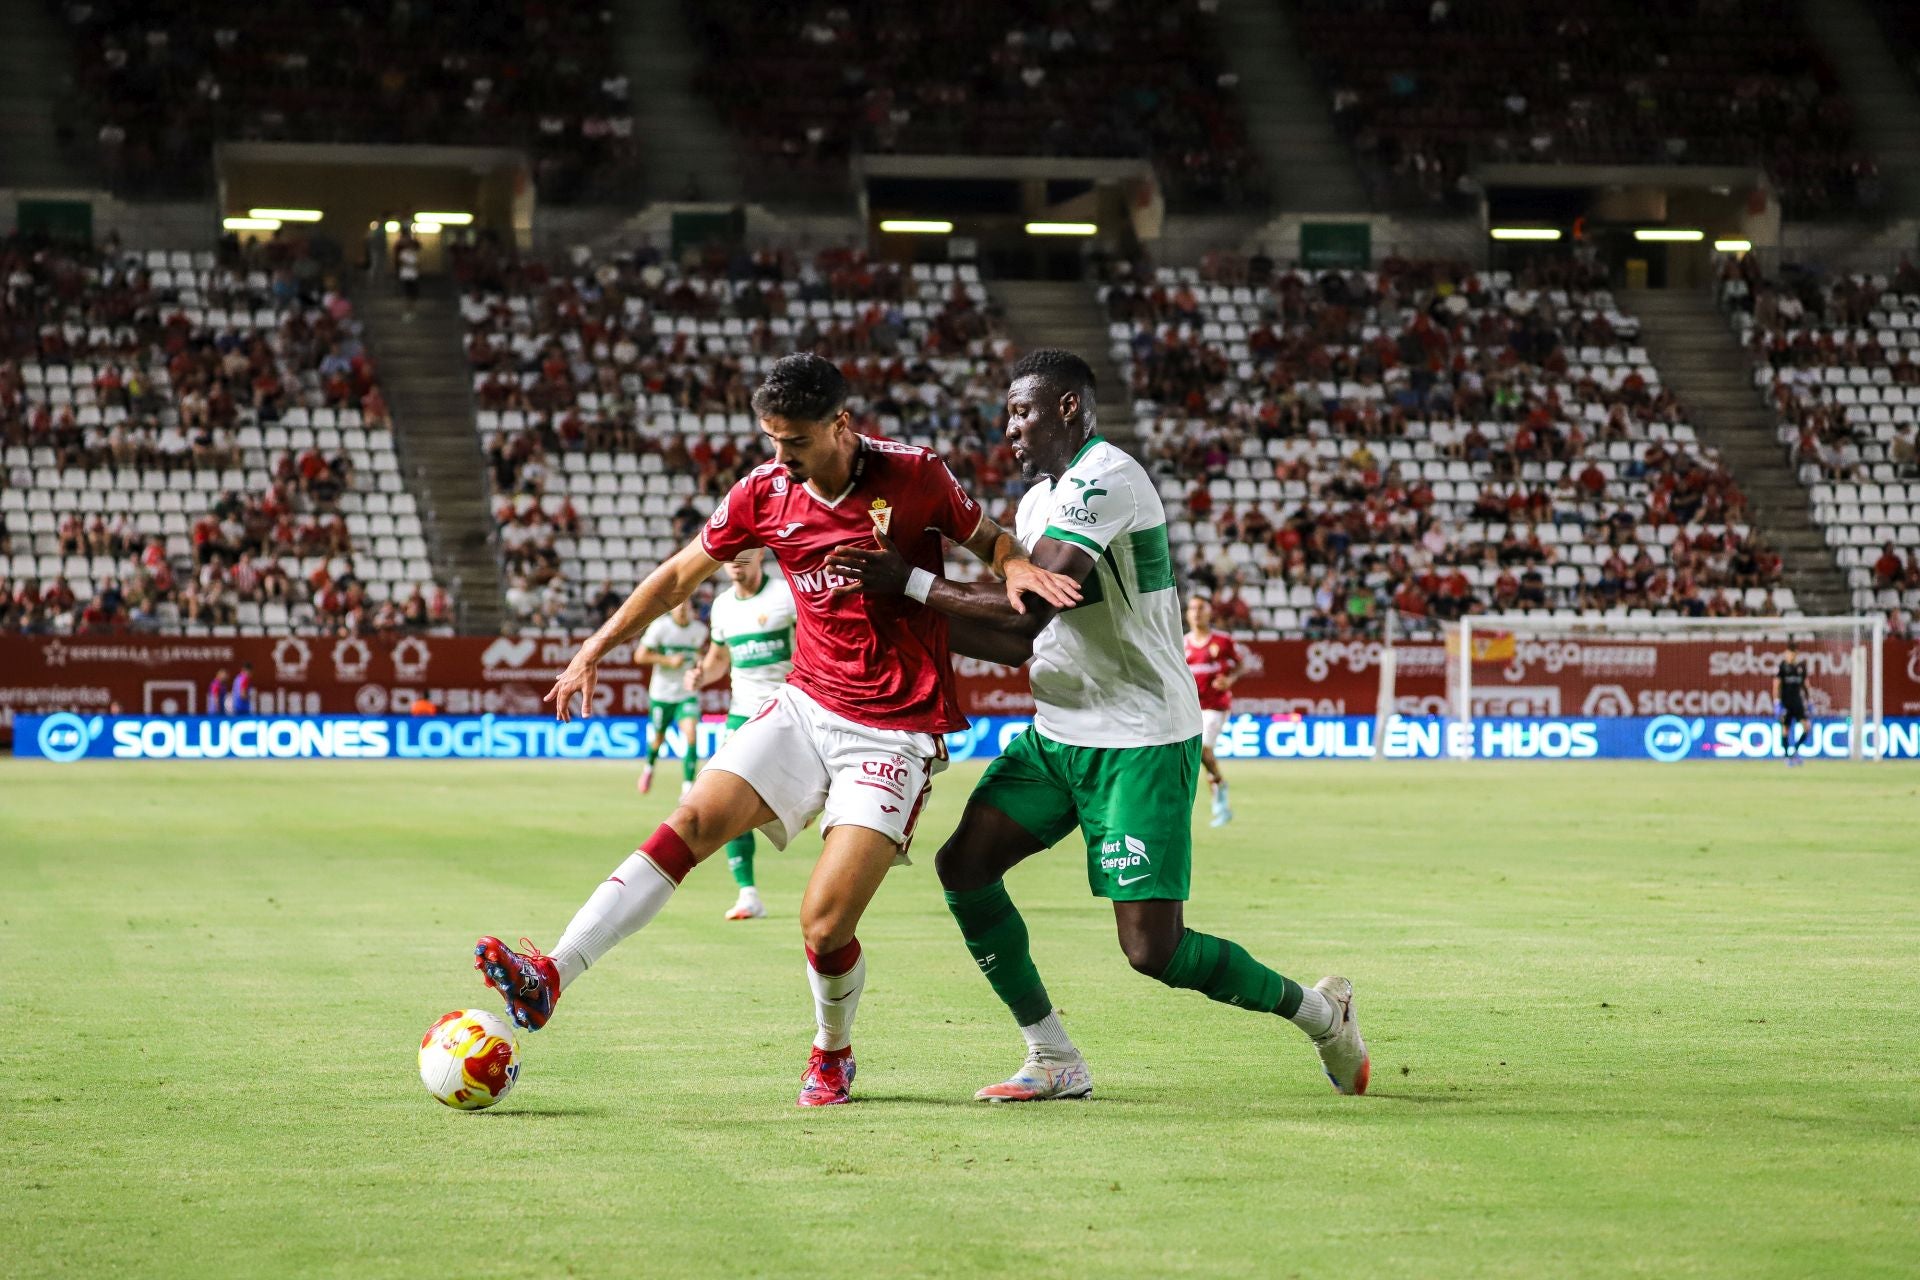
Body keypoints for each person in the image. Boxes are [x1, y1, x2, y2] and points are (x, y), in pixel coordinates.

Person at [471, 353, 1078, 1107]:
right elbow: (677, 577)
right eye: (770, 441)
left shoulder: (916, 474)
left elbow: (993, 542)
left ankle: (832, 1050)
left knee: (823, 927)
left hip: (892, 732)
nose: (779, 458)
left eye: (792, 442)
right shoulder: (763, 492)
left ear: (841, 426)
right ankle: (551, 974)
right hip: (805, 705)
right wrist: (593, 648)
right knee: (691, 817)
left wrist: (1016, 567)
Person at [827, 350, 1369, 1102]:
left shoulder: (1109, 477)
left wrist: (913, 583)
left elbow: (1032, 606)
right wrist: (894, 615)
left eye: (1022, 412)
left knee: (1154, 951)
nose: (1008, 427)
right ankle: (1052, 1056)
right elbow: (1020, 641)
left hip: (1140, 739)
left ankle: (1320, 1013)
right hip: (1059, 736)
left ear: (1068, 409)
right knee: (965, 867)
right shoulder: (1036, 503)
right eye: (1007, 413)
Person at [688, 547, 798, 921]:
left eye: (743, 554)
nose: (735, 561)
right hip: (742, 718)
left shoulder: (786, 595)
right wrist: (702, 674)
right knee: (724, 803)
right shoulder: (722, 607)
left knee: (816, 803)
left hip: (792, 714)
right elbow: (720, 658)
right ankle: (748, 893)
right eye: (729, 556)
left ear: (762, 555)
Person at [635, 598, 709, 798]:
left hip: (686, 693)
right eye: (679, 607)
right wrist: (667, 660)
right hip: (662, 693)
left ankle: (687, 788)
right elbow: (640, 656)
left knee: (692, 734)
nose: (683, 611)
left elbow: (701, 655)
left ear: (692, 610)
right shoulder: (660, 627)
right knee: (658, 738)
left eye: (687, 607)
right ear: (672, 610)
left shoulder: (699, 631)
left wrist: (700, 663)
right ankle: (649, 768)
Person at [1183, 596, 1242, 826]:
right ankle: (1221, 802)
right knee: (1204, 755)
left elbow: (1241, 665)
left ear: (1210, 613)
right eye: (1192, 609)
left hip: (1216, 706)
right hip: (1191, 707)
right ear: (1187, 614)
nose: (1196, 613)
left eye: (1201, 608)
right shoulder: (1182, 642)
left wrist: (1230, 679)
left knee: (1203, 749)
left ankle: (1221, 787)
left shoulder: (1223, 641)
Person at [1774, 640, 1812, 765]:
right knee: (1785, 730)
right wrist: (1777, 702)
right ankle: (1786, 757)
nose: (1789, 656)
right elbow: (1776, 685)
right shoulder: (1782, 667)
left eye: (1792, 654)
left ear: (1796, 654)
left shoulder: (1800, 668)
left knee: (1807, 727)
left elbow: (1806, 685)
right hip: (1786, 703)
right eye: (1788, 654)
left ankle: (1794, 752)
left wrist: (1809, 701)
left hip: (1798, 703)